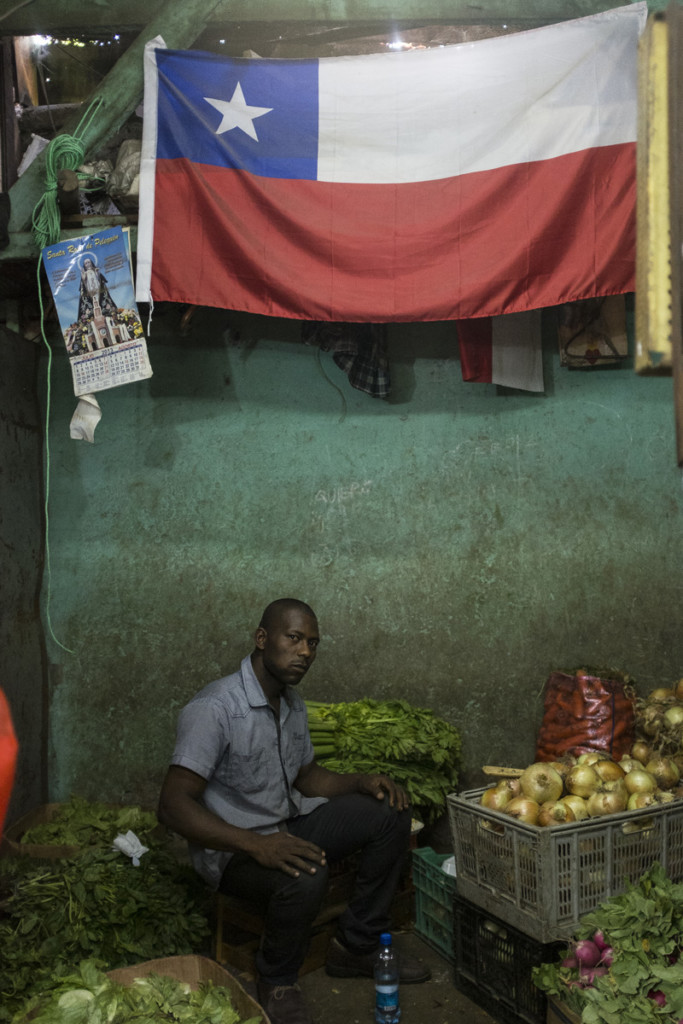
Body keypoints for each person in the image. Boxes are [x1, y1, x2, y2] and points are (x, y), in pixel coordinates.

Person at [158, 598, 430, 1024]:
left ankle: (354, 947)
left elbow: (308, 778)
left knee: (389, 810)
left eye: (314, 643)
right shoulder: (216, 708)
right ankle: (277, 979)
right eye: (295, 638)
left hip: (288, 826)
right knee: (305, 872)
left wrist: (359, 781)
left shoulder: (292, 704)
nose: (306, 652)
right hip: (235, 851)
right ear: (262, 639)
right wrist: (256, 844)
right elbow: (172, 807)